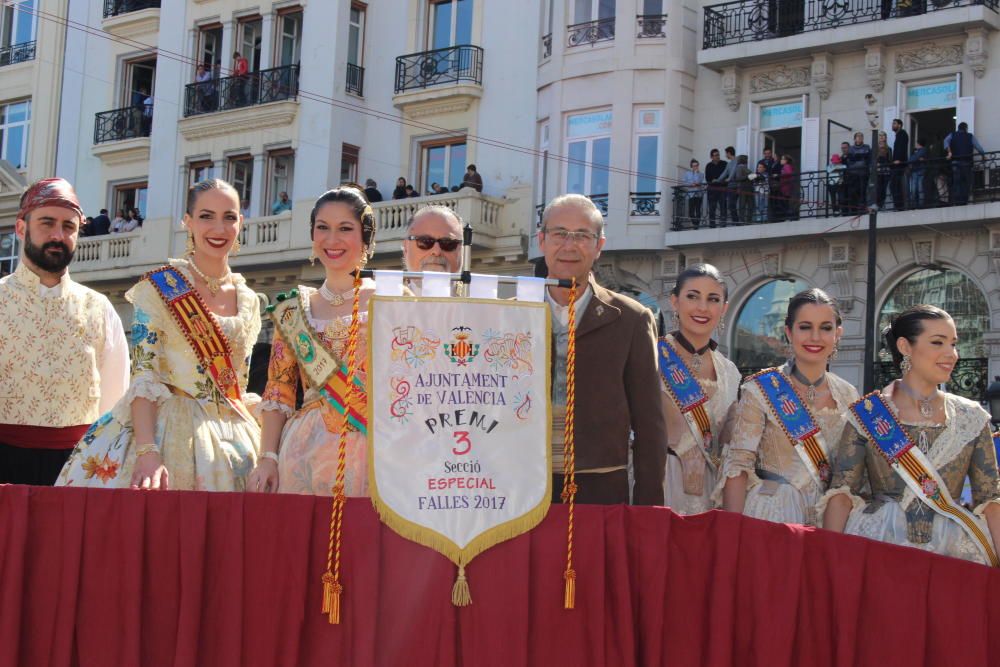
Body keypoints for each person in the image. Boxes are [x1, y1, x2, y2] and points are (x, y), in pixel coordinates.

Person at [58, 178, 262, 490]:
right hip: (167, 431)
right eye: (206, 216)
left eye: (229, 217)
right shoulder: (159, 289)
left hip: (234, 436)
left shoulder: (248, 299)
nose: (218, 228)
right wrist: (147, 450)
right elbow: (144, 375)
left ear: (241, 223)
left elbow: (238, 383)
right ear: (188, 222)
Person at [822, 305, 1000, 565]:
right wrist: (827, 564)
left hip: (954, 552)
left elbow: (990, 500)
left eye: (953, 344)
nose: (951, 354)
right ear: (905, 347)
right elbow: (842, 494)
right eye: (938, 343)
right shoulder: (868, 414)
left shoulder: (971, 416)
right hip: (880, 545)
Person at [538, 194, 667, 505]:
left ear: (599, 245)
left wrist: (647, 508)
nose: (570, 245)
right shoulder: (510, 315)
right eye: (559, 234)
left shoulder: (631, 318)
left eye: (583, 235)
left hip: (601, 487)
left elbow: (649, 421)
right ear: (542, 241)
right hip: (522, 486)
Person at [248, 186, 378, 495]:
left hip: (369, 451)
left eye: (345, 228)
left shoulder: (392, 301)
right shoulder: (293, 309)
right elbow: (278, 392)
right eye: (323, 228)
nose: (332, 240)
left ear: (366, 236)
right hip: (301, 453)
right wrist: (267, 457)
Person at [0, 178, 129, 485]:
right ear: (21, 229)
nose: (58, 235)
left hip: (78, 470)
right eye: (47, 223)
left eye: (68, 227)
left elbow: (115, 404)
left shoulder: (99, 308)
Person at [719, 288, 859, 525]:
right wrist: (731, 534)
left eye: (825, 328)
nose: (815, 337)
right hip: (773, 513)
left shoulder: (849, 395)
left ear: (838, 334)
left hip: (827, 518)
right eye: (805, 327)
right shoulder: (762, 389)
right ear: (788, 332)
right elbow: (738, 466)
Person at [660, 264, 740, 514]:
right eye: (692, 296)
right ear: (675, 301)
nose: (702, 308)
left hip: (710, 489)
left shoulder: (730, 372)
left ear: (724, 308)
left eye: (713, 299)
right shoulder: (650, 355)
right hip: (659, 482)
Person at [401, 205, 462, 295]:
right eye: (425, 242)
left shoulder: (484, 303)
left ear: (462, 250)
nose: (436, 251)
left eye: (448, 243)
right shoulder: (380, 304)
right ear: (406, 247)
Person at [945, 122, 986, 206]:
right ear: (966, 129)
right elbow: (978, 147)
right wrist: (983, 155)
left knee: (957, 182)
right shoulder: (970, 136)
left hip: (955, 162)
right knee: (966, 182)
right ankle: (964, 201)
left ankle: (957, 201)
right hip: (966, 162)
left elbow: (945, 141)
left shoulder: (952, 135)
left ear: (958, 128)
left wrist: (949, 152)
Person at [846, 132, 872, 210]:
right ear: (854, 139)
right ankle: (855, 209)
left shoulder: (867, 147)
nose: (860, 138)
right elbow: (851, 160)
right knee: (855, 191)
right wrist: (861, 158)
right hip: (853, 174)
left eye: (861, 136)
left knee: (863, 191)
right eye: (858, 137)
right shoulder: (851, 148)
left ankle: (863, 208)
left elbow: (868, 159)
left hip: (864, 173)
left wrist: (859, 157)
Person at [705, 148, 728, 228]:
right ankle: (712, 225)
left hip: (722, 188)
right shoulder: (708, 166)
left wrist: (719, 180)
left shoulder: (724, 163)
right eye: (715, 155)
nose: (717, 157)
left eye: (718, 155)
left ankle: (723, 224)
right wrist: (713, 180)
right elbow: (707, 178)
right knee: (712, 207)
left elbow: (727, 175)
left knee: (723, 206)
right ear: (711, 157)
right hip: (712, 189)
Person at [890, 118, 909, 210]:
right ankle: (898, 205)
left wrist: (899, 160)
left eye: (894, 123)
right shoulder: (899, 135)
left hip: (899, 164)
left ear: (899, 125)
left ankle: (899, 206)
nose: (892, 125)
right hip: (897, 164)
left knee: (896, 185)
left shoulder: (902, 134)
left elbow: (901, 149)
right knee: (895, 185)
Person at [683, 159, 706, 228]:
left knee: (698, 210)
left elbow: (700, 182)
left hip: (698, 195)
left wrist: (696, 173)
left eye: (696, 165)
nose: (695, 167)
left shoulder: (701, 174)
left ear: (698, 166)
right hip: (691, 195)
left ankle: (696, 225)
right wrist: (690, 184)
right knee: (691, 212)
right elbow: (683, 182)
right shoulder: (687, 173)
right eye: (693, 166)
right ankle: (695, 223)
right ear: (691, 166)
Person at [908, 137, 928, 209]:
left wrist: (915, 157)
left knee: (919, 190)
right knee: (914, 190)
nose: (916, 144)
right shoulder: (918, 151)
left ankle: (920, 206)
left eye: (917, 143)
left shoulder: (923, 150)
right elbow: (911, 159)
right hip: (915, 171)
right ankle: (914, 206)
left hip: (920, 172)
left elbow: (912, 159)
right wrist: (916, 158)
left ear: (919, 144)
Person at [776, 154, 796, 221]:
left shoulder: (786, 166)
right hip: (785, 187)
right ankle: (788, 217)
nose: (781, 160)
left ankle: (788, 217)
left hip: (785, 187)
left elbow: (789, 174)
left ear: (786, 161)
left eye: (782, 159)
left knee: (785, 203)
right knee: (785, 203)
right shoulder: (786, 166)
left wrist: (779, 175)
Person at [733, 154, 752, 224]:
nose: (747, 160)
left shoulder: (745, 167)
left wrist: (754, 176)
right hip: (743, 188)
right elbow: (738, 178)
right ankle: (742, 220)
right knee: (742, 205)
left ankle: (749, 220)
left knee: (750, 205)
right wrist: (748, 176)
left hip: (749, 188)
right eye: (746, 159)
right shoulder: (739, 167)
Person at [875, 131, 891, 208]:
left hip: (886, 171)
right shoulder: (875, 148)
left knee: (884, 188)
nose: (881, 137)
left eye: (883, 135)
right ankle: (879, 204)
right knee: (878, 188)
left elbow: (890, 160)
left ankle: (883, 204)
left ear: (885, 137)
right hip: (878, 171)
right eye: (880, 135)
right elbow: (873, 160)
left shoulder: (889, 149)